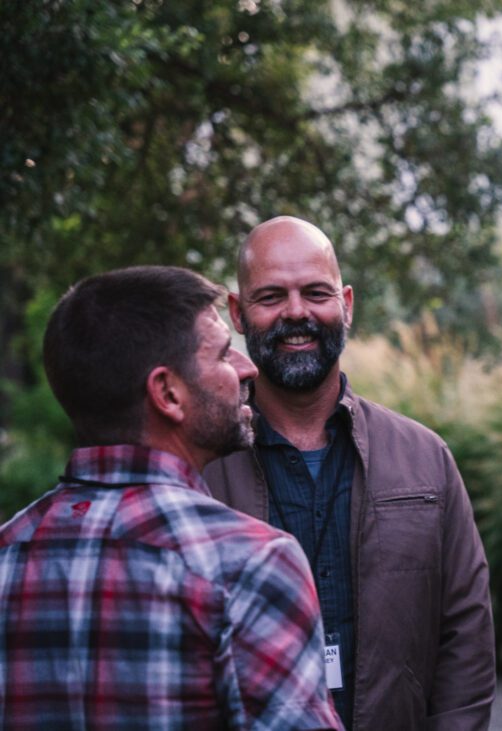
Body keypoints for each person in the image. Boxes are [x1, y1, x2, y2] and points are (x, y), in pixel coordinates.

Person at [0, 267, 342, 730]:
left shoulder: (9, 552)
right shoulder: (250, 564)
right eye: (223, 355)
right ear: (167, 393)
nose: (248, 368)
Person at [203, 216, 495, 730]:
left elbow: (466, 634)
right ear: (237, 312)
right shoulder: (200, 464)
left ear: (347, 304)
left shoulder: (425, 459)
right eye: (271, 297)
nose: (297, 312)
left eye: (316, 292)